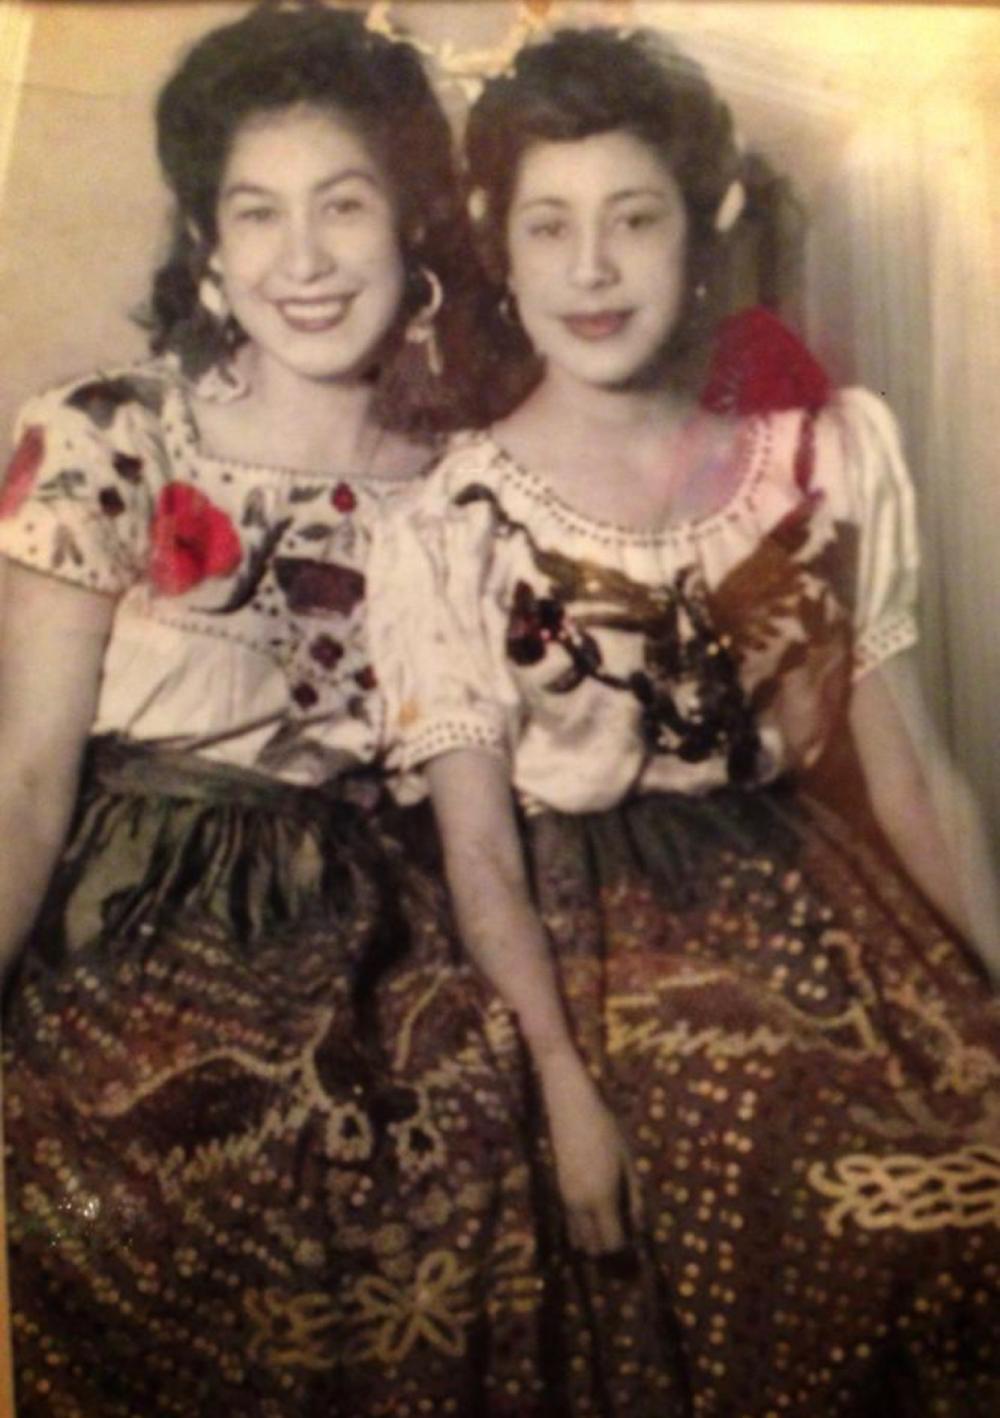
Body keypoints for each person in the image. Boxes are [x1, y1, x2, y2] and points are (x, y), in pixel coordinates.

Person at [370, 26, 1000, 1416]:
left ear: (705, 225)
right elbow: (476, 849)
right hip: (585, 936)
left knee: (969, 1188)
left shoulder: (823, 458)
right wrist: (561, 1081)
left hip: (813, 905)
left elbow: (910, 773)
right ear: (498, 243)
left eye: (633, 219)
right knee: (763, 1204)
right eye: (551, 225)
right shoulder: (454, 524)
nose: (591, 269)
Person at [0, 6, 542, 1414]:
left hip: (370, 915)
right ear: (208, 249)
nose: (302, 260)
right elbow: (23, 779)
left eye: (343, 207)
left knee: (461, 1131)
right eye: (258, 215)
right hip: (134, 907)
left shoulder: (465, 479)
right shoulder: (108, 434)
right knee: (158, 1174)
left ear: (413, 229)